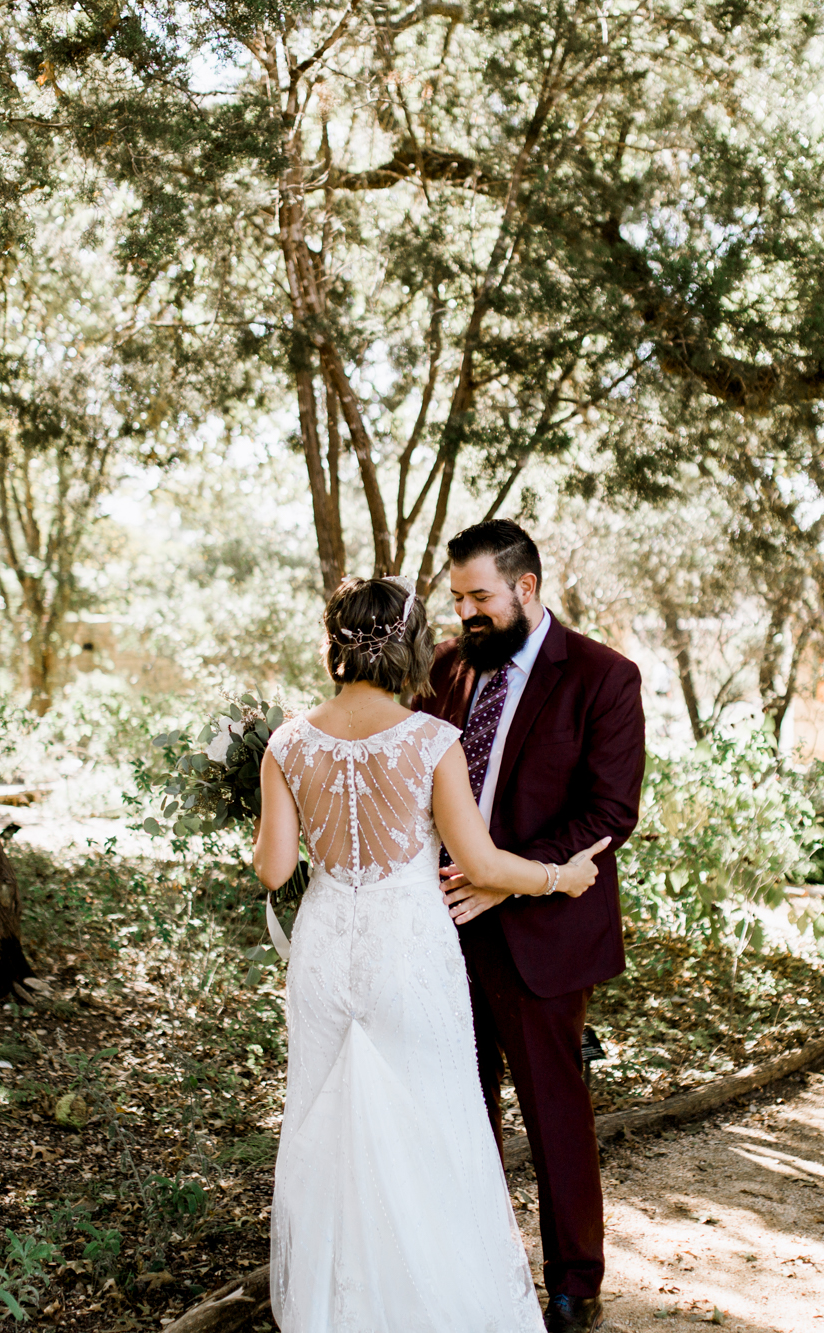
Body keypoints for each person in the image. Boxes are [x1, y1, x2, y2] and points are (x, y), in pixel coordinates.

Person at [252, 574, 612, 1333]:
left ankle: (339, 1308)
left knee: (327, 1123)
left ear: (332, 646)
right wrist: (560, 874)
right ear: (413, 647)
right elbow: (479, 864)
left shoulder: (286, 742)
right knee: (432, 1123)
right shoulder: (432, 741)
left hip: (325, 952)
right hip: (408, 950)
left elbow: (274, 870)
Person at [413, 519, 647, 1333]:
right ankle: (471, 1272)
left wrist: (505, 882)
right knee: (455, 1107)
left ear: (527, 588)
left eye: (481, 597)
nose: (468, 613)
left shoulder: (603, 677)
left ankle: (575, 1285)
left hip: (542, 930)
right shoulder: (446, 668)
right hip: (439, 927)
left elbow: (610, 812)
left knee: (554, 1114)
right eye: (458, 599)